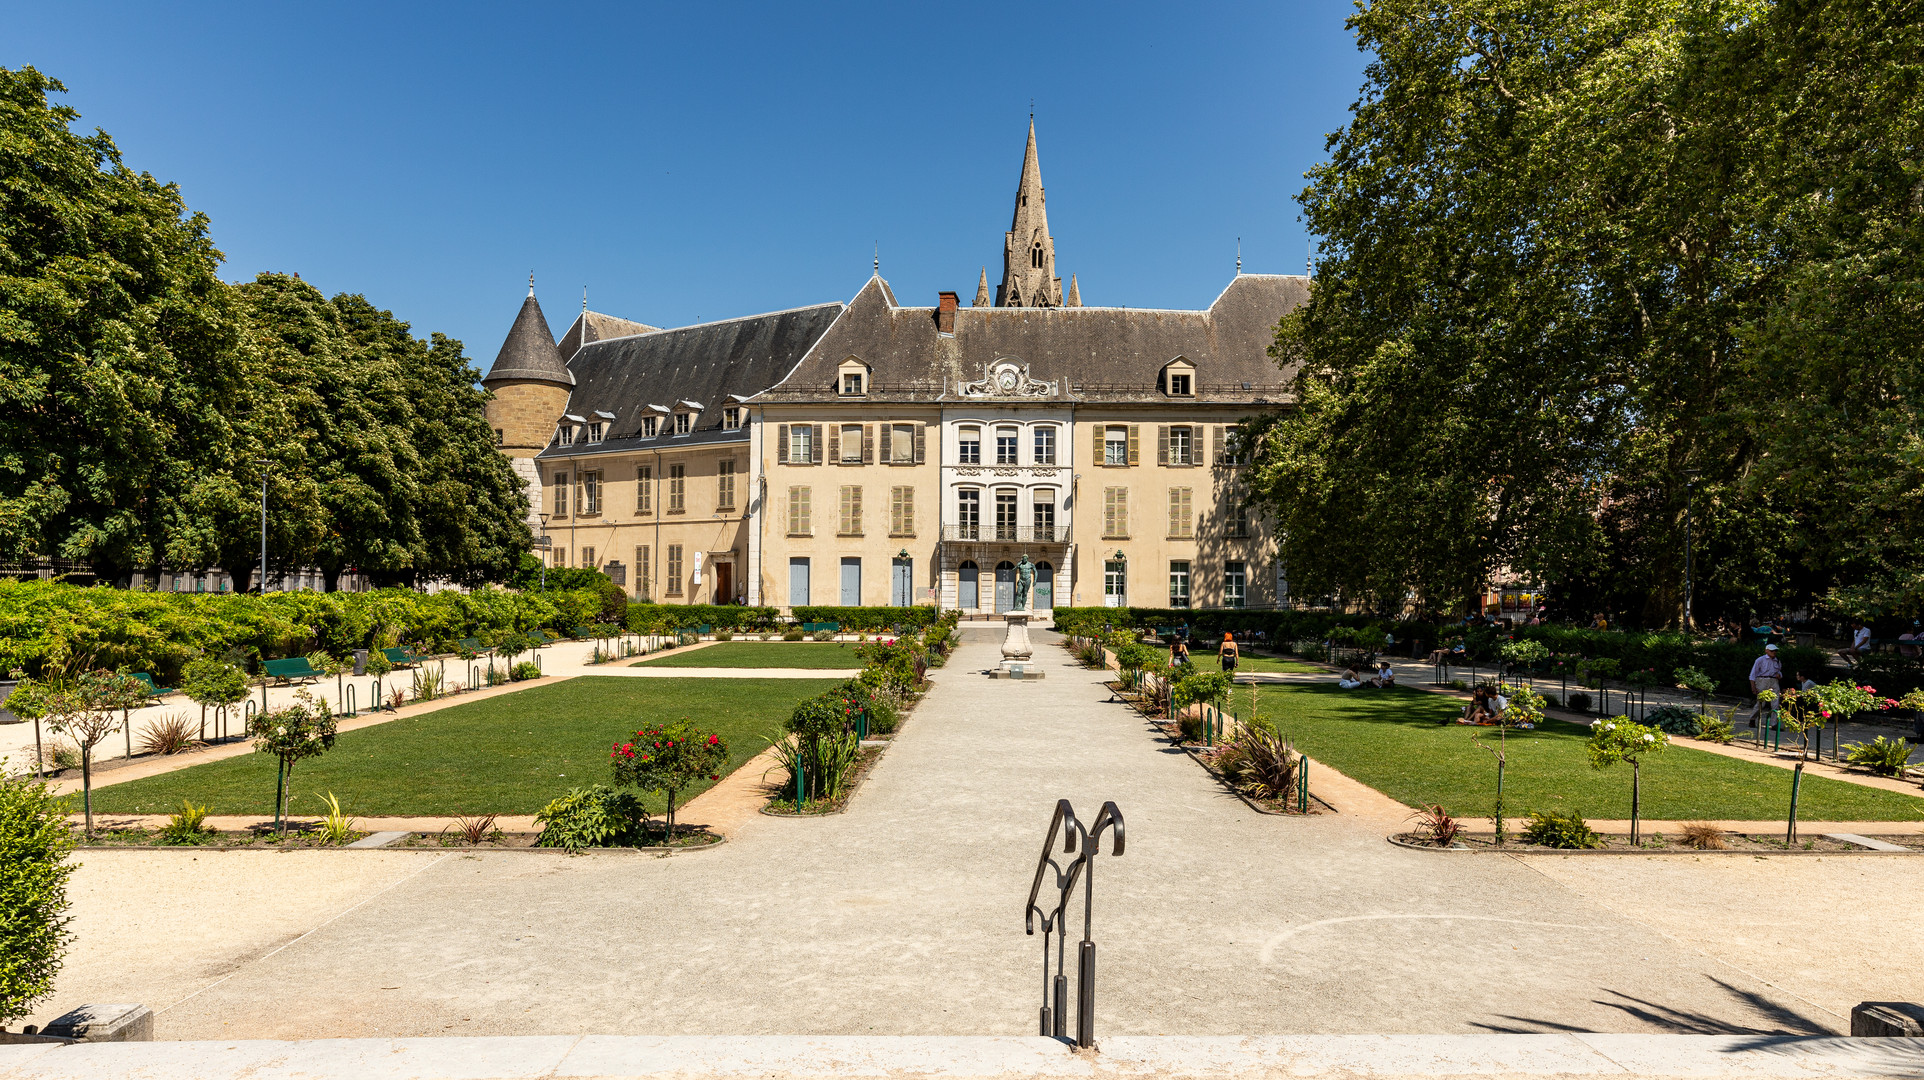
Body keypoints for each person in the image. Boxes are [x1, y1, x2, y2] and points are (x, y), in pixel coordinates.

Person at [1746, 642, 1782, 728]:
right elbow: (1753, 674)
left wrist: (1779, 675)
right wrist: (1753, 686)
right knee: (1761, 702)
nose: (1774, 653)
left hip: (1773, 680)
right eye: (1772, 651)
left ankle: (1774, 723)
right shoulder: (1760, 660)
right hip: (1762, 680)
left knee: (1775, 702)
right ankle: (1753, 719)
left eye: (1775, 651)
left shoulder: (1777, 660)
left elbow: (1779, 670)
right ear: (1767, 651)